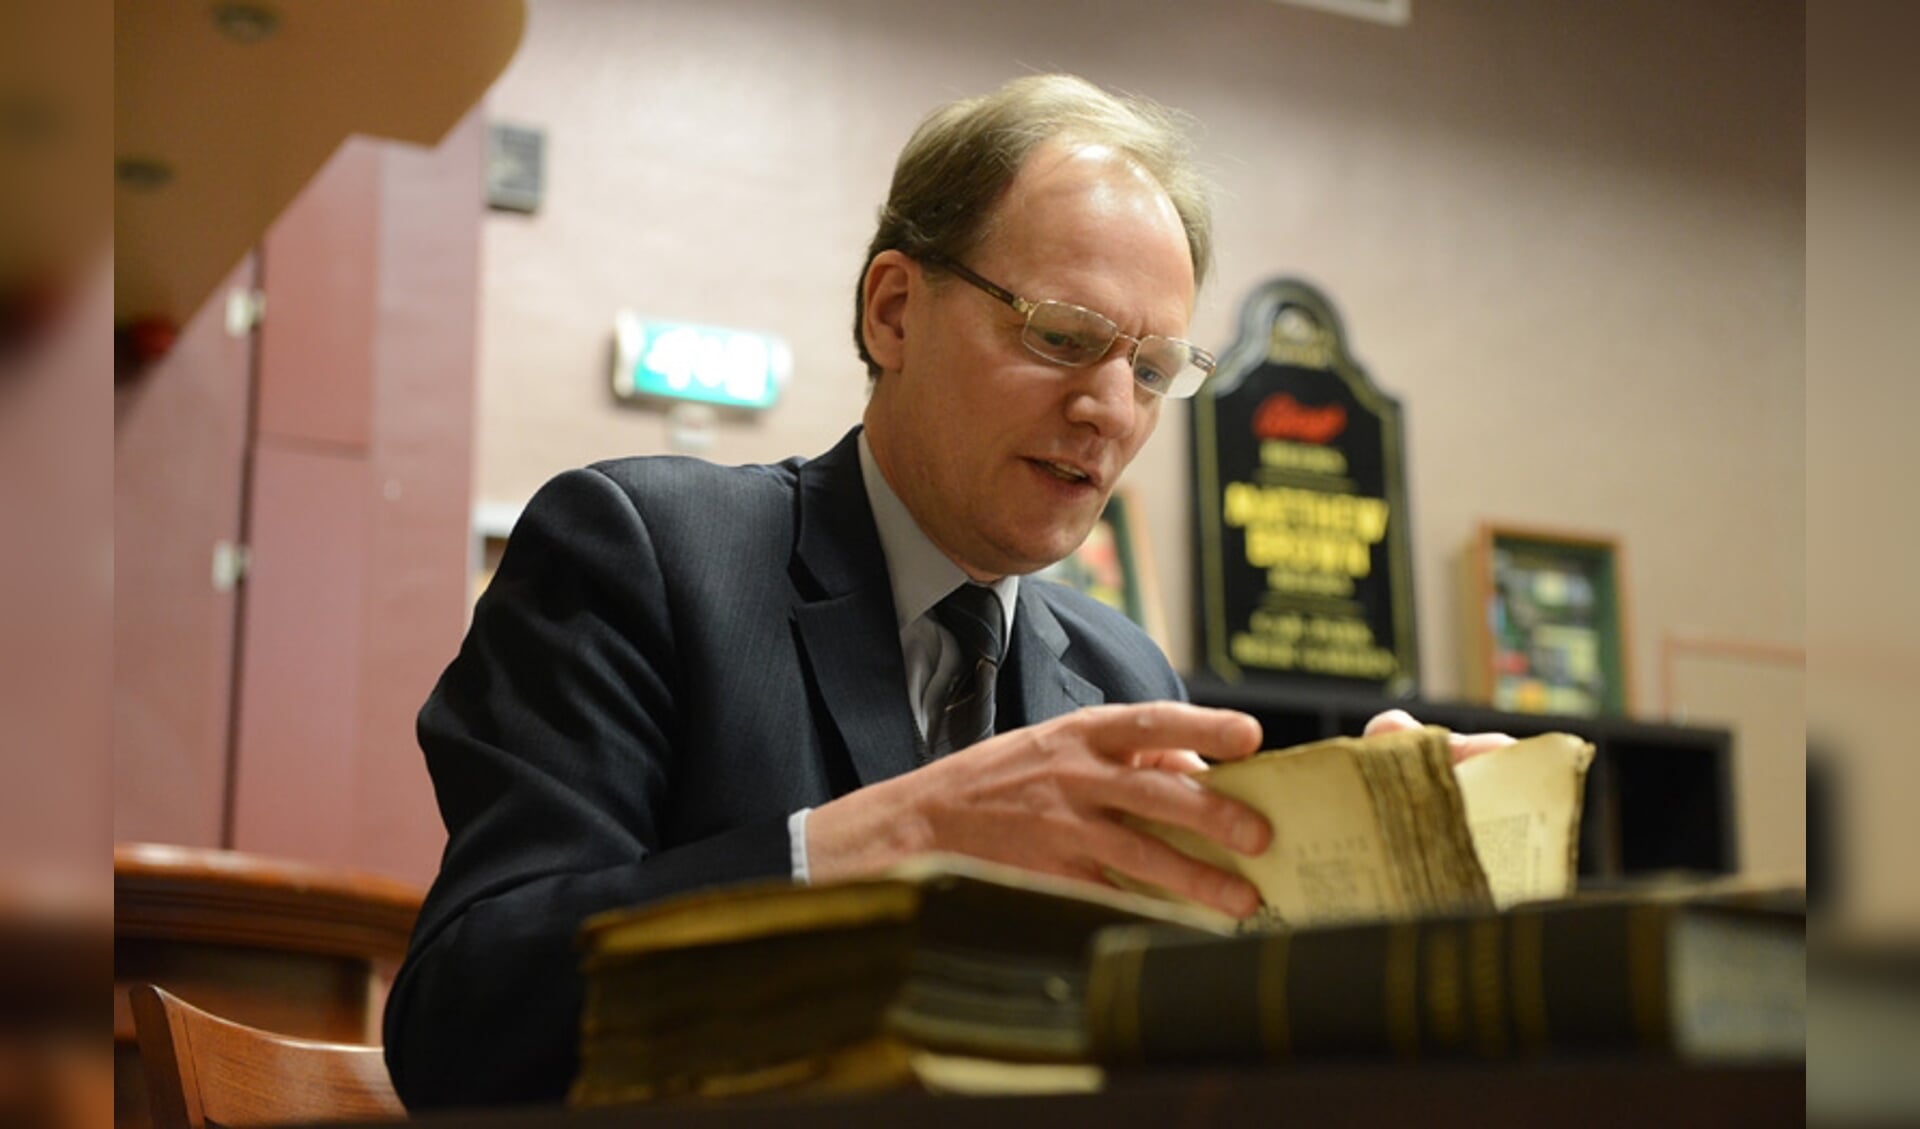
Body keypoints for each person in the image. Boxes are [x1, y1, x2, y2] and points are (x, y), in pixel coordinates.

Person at [384, 73, 1502, 1109]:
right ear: (894, 312)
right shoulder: (647, 552)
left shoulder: (1121, 676)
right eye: (1065, 337)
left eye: (1154, 369)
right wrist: (881, 838)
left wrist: (1369, 877)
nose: (1111, 410)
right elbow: (463, 1018)